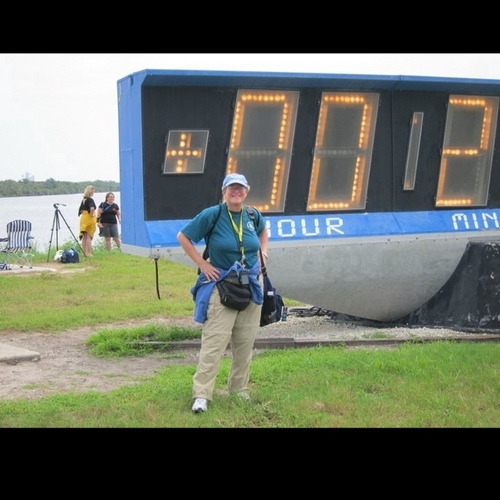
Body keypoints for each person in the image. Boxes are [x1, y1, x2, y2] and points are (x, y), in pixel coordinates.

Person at [177, 173, 269, 413]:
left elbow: (264, 232)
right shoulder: (214, 214)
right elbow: (183, 236)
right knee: (214, 343)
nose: (236, 192)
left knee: (245, 342)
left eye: (240, 188)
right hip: (222, 286)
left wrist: (264, 254)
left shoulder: (252, 215)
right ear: (224, 192)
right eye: (231, 188)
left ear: (246, 192)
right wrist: (203, 264)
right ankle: (202, 395)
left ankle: (238, 389)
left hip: (251, 286)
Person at [78, 185, 97, 257]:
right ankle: (88, 253)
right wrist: (92, 214)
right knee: (89, 236)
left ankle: (84, 252)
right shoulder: (90, 200)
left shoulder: (83, 200)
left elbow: (80, 210)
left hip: (83, 218)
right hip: (89, 218)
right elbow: (92, 208)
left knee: (84, 236)